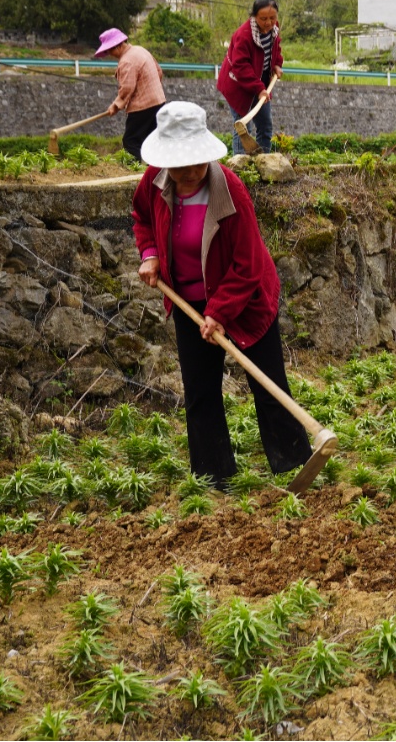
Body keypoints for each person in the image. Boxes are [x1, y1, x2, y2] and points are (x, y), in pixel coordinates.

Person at [131, 101, 310, 486]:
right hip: (187, 301)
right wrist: (149, 255)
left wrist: (220, 312)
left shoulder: (230, 190)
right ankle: (213, 475)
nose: (191, 171)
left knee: (267, 381)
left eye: (196, 162)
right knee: (200, 390)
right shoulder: (154, 181)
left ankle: (295, 462)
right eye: (180, 165)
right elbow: (142, 218)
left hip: (245, 300)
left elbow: (247, 265)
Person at [217, 0, 282, 156]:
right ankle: (241, 168)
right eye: (263, 19)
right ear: (254, 16)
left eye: (272, 18)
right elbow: (241, 66)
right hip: (238, 86)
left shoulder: (274, 29)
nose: (268, 22)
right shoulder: (244, 35)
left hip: (260, 86)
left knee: (265, 126)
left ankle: (263, 162)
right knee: (243, 128)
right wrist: (259, 88)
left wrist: (276, 64)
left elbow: (275, 49)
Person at [96, 27, 166, 159]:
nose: (110, 54)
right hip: (158, 101)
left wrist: (116, 105)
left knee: (131, 141)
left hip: (143, 106)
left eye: (110, 50)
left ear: (118, 45)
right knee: (152, 139)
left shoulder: (127, 60)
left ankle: (138, 169)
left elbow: (127, 87)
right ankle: (156, 169)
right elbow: (159, 72)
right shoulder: (140, 50)